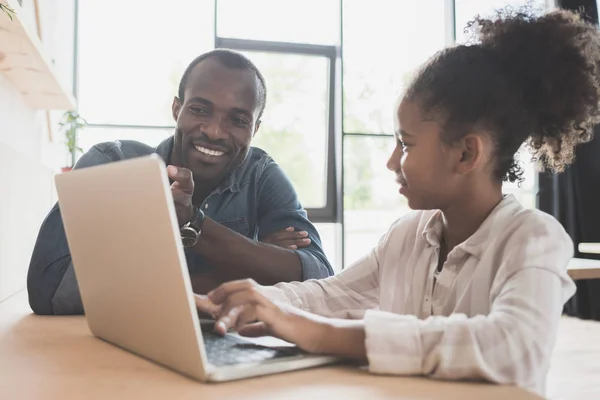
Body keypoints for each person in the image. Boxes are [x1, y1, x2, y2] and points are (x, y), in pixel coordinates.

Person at [194, 8, 600, 396]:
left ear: (466, 154)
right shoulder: (408, 234)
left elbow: (512, 346)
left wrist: (317, 333)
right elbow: (330, 296)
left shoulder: (534, 238)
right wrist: (234, 302)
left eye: (405, 144)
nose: (392, 161)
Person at [27, 49, 333, 316]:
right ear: (177, 109)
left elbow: (320, 280)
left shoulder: (261, 175)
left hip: (225, 347)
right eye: (200, 110)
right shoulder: (111, 163)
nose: (214, 131)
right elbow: (49, 289)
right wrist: (248, 266)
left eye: (238, 120)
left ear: (255, 129)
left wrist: (193, 225)